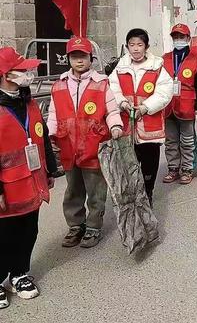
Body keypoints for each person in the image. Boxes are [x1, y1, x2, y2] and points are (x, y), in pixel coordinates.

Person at [47, 37, 123, 249]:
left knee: (96, 190)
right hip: (68, 146)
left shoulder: (102, 83)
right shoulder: (59, 85)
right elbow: (53, 114)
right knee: (73, 190)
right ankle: (75, 225)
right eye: (74, 56)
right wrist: (49, 135)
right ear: (68, 59)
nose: (79, 60)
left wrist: (115, 126)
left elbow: (112, 110)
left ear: (91, 58)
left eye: (83, 56)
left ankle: (93, 227)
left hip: (93, 146)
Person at [0, 47, 56, 309]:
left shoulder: (28, 100)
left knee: (28, 230)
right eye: (23, 71)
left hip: (32, 181)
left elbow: (41, 135)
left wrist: (51, 169)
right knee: (5, 235)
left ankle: (20, 273)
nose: (29, 75)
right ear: (6, 74)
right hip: (6, 187)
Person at [109, 29, 173, 204]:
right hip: (126, 124)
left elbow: (164, 93)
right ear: (127, 46)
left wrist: (145, 107)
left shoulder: (157, 66)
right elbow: (112, 89)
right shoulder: (120, 68)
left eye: (139, 45)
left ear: (146, 47)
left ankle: (148, 193)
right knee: (128, 163)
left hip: (149, 125)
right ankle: (132, 195)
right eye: (132, 45)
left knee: (149, 163)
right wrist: (122, 102)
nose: (136, 49)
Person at [162, 23, 197, 185]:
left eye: (181, 37)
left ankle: (187, 169)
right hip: (168, 106)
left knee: (187, 141)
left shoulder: (196, 59)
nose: (178, 40)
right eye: (175, 37)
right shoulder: (164, 59)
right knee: (170, 140)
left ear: (188, 39)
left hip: (188, 106)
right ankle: (173, 168)